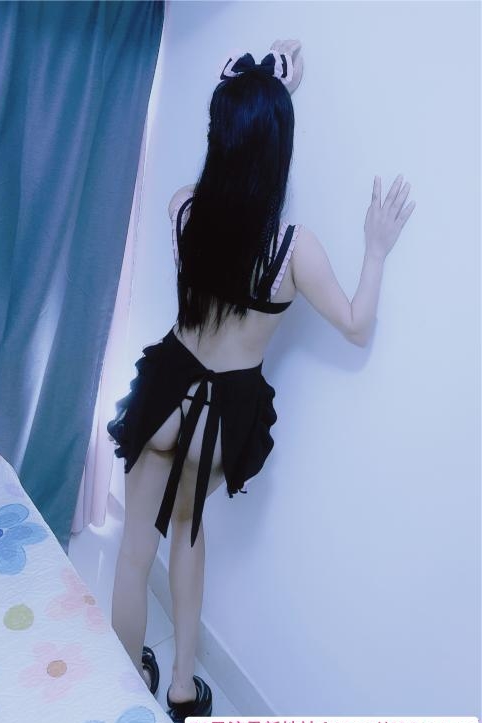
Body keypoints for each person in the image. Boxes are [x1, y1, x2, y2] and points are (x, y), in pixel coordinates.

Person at [108, 38, 415, 721]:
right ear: (279, 151)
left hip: (166, 390)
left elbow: (231, 158)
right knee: (189, 532)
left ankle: (125, 687)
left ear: (221, 135)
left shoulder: (185, 208)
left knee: (134, 550)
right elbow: (356, 324)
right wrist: (375, 248)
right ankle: (182, 691)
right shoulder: (293, 249)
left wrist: (261, 99)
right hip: (222, 414)